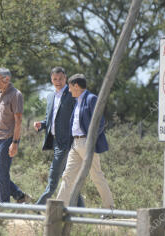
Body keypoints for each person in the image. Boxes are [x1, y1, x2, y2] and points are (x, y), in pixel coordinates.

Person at [57, 73, 114, 212]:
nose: (69, 91)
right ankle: (57, 210)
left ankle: (110, 210)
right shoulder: (77, 101)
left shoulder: (91, 99)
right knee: (67, 176)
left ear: (76, 86)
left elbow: (100, 123)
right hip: (75, 145)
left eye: (70, 87)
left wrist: (90, 141)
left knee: (97, 177)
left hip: (86, 144)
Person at [34, 67, 84, 206]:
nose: (58, 81)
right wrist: (42, 124)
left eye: (60, 79)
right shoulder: (50, 96)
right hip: (55, 142)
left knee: (53, 177)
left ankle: (39, 207)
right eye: (55, 79)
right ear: (51, 79)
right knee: (68, 178)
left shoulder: (71, 94)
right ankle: (80, 211)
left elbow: (79, 114)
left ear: (66, 79)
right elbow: (50, 118)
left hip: (67, 142)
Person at [0, 67, 30, 203]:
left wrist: (15, 143)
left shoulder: (16, 95)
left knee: (2, 174)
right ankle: (19, 195)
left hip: (7, 139)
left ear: (7, 79)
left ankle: (4, 208)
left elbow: (18, 121)